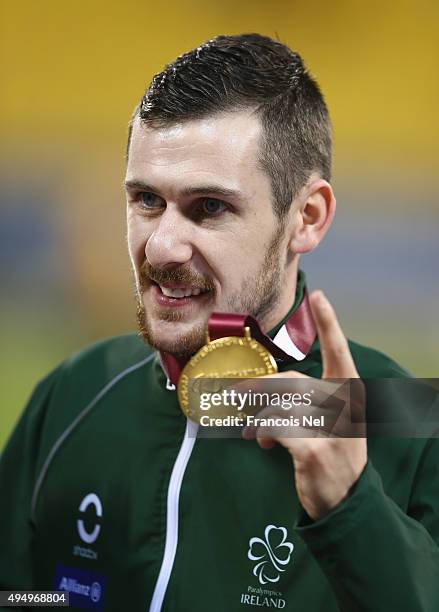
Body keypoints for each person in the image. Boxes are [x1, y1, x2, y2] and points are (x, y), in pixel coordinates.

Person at [0, 33, 438, 612]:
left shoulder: (405, 420)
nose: (161, 248)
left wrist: (351, 510)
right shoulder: (74, 394)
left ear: (306, 218)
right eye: (146, 201)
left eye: (209, 207)